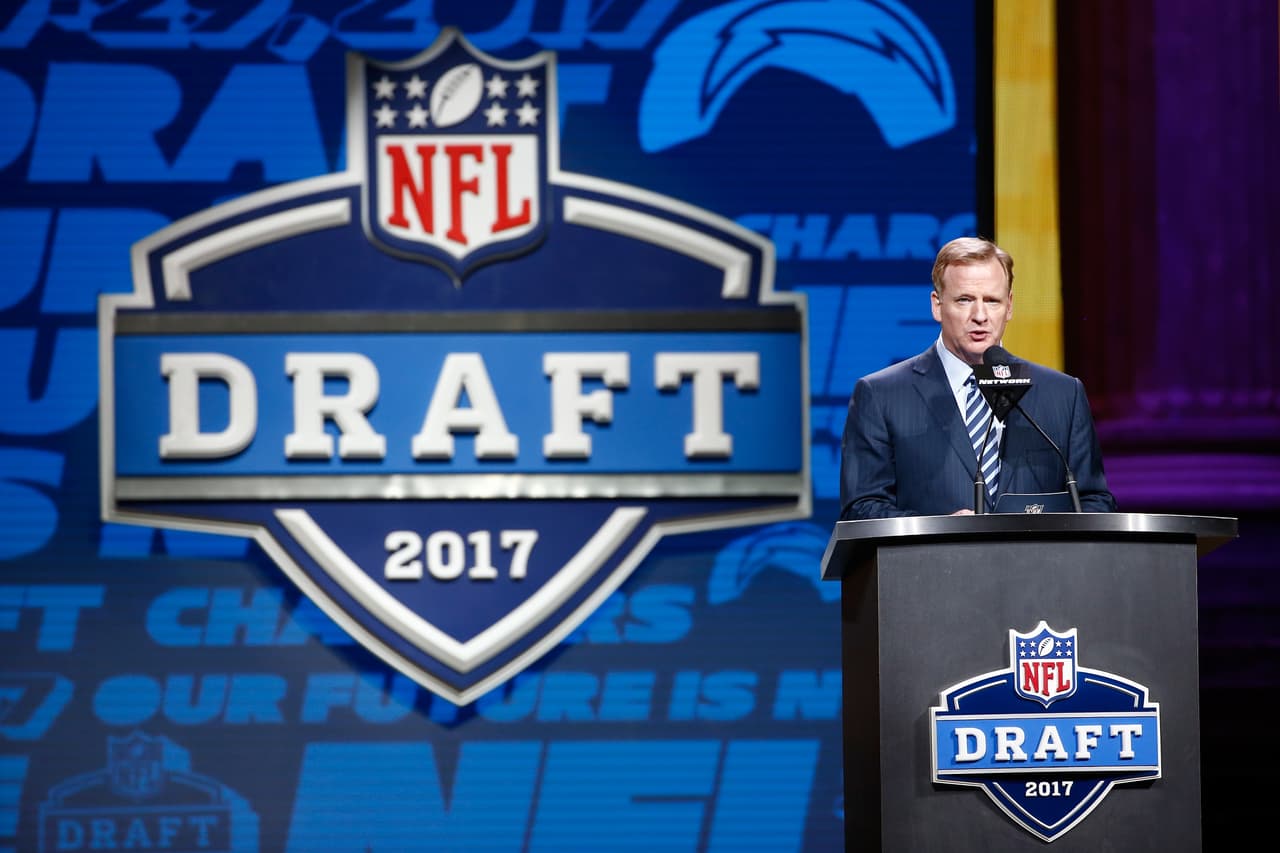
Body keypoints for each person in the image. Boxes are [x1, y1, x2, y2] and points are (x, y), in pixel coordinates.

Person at [839, 236, 1116, 518]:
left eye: (992, 301)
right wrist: (940, 530)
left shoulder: (1063, 395)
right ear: (937, 305)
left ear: (1009, 306)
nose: (980, 315)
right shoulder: (882, 395)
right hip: (933, 561)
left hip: (1038, 561)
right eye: (965, 300)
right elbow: (862, 509)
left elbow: (1093, 502)